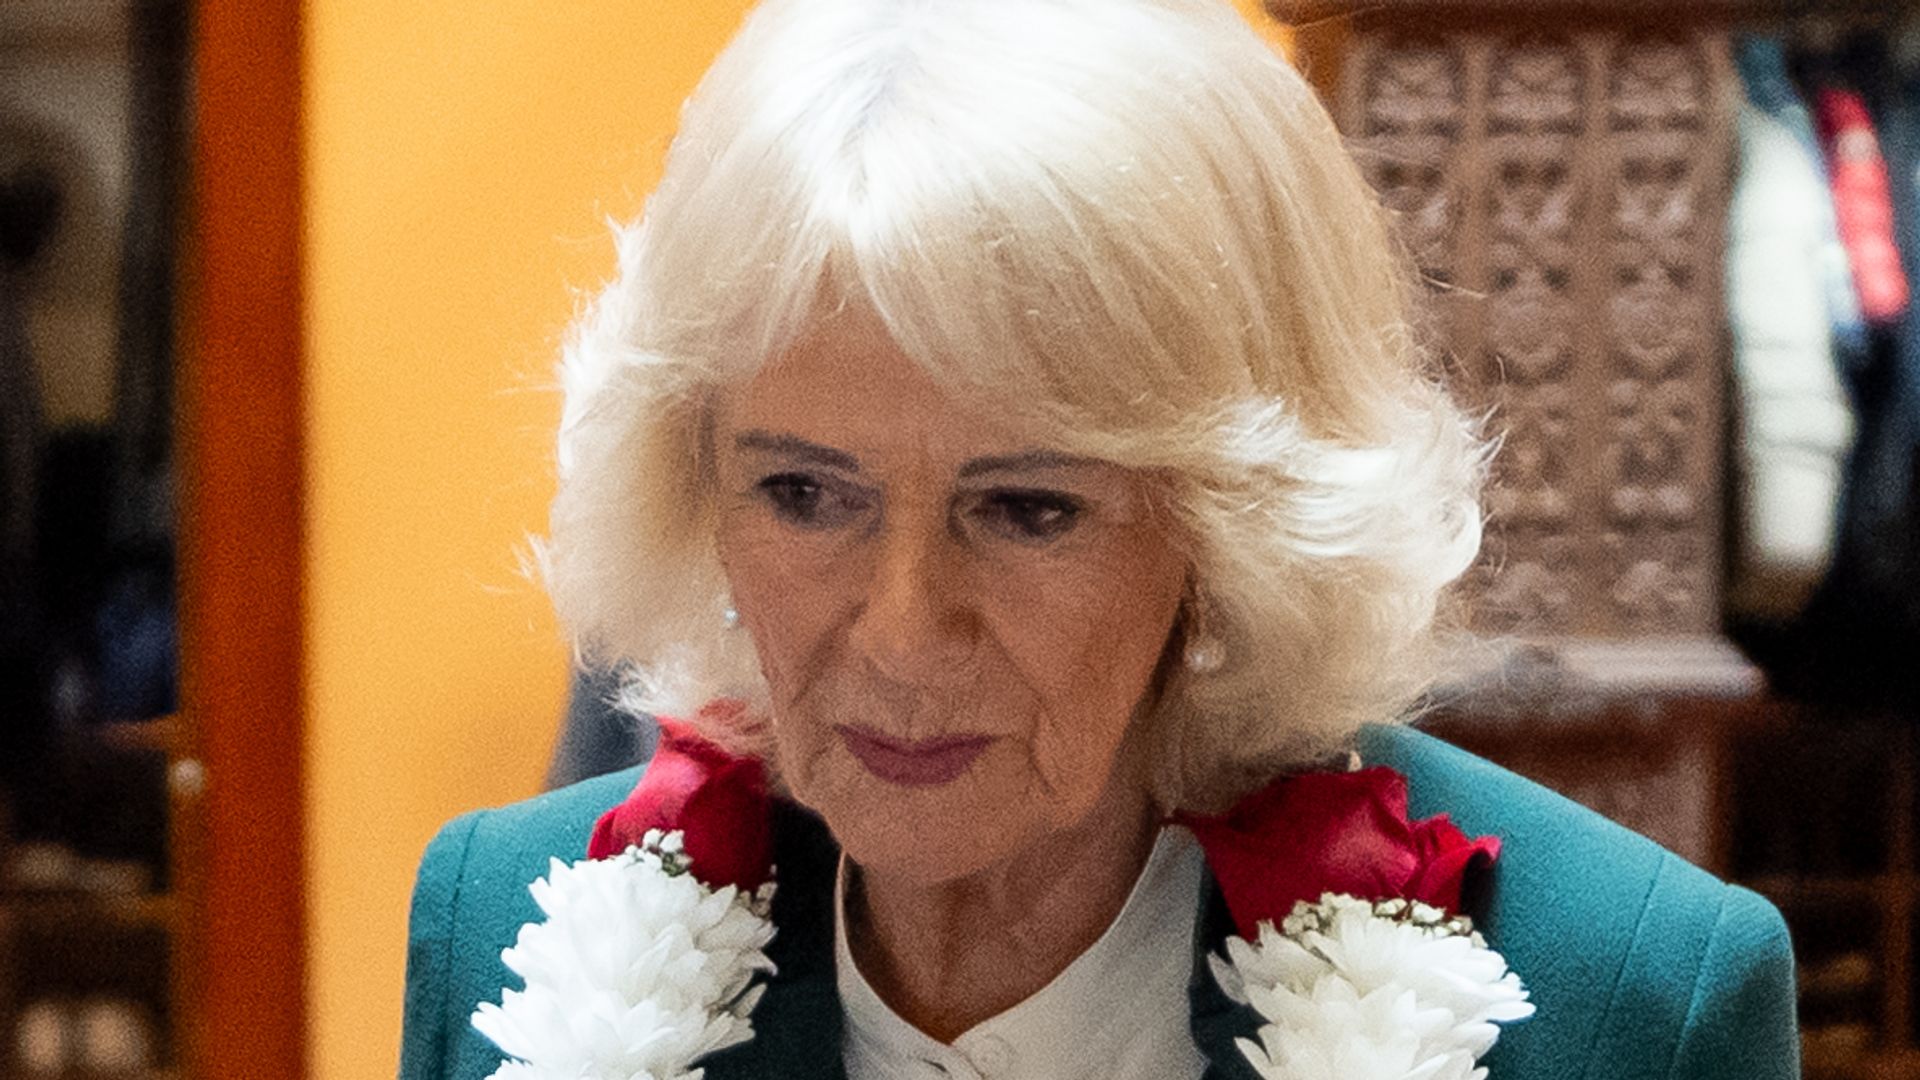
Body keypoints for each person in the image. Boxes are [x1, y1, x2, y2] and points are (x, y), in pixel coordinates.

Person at [400, 2, 1799, 1077]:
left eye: (1026, 509)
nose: (899, 631)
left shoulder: (1632, 1005)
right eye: (806, 495)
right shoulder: (504, 936)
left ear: (1232, 525)